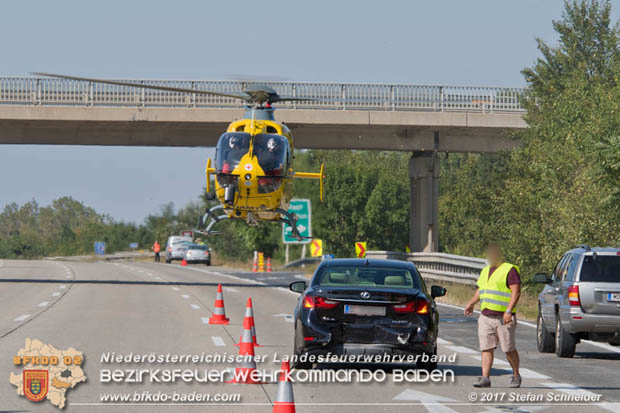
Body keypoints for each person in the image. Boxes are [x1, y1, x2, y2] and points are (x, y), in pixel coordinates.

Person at [465, 242, 521, 388]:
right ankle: (485, 378)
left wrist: (509, 311)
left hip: (503, 317)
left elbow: (516, 291)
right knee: (486, 348)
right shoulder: (485, 271)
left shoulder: (509, 270)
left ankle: (516, 375)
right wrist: (471, 303)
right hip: (485, 316)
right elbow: (480, 290)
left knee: (508, 349)